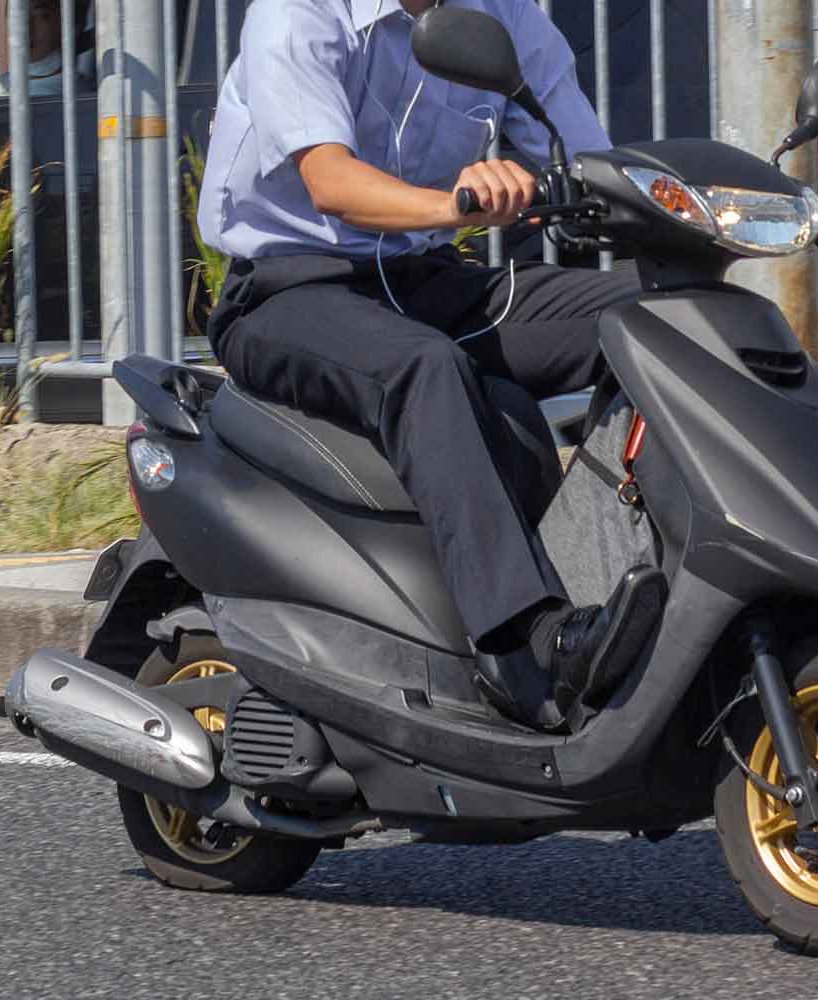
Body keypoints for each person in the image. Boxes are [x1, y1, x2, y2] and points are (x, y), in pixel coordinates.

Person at [198, 0, 664, 730]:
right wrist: (459, 202)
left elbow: (590, 160)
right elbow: (332, 182)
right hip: (286, 289)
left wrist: (682, 210)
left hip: (420, 277)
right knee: (427, 367)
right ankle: (523, 645)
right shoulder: (297, 13)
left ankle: (656, 577)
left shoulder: (502, 16)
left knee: (656, 315)